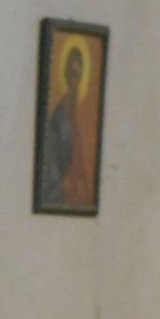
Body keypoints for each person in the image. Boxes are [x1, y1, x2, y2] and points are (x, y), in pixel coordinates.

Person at [39, 46, 96, 208]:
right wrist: (64, 185)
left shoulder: (84, 113)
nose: (74, 82)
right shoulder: (58, 118)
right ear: (65, 75)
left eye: (78, 76)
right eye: (71, 75)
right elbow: (52, 167)